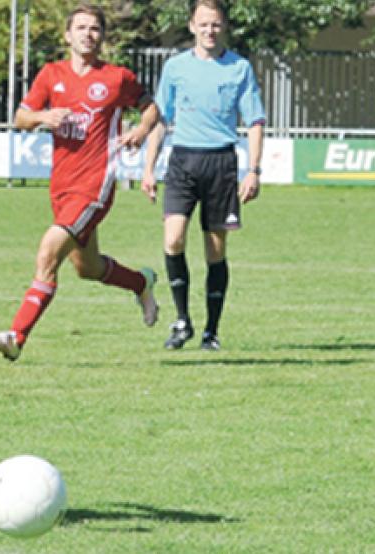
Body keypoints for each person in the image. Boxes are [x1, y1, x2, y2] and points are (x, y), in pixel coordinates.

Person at [0, 4, 160, 362]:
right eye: (81, 27)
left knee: (48, 252)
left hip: (96, 185)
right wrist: (44, 116)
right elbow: (20, 117)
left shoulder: (117, 77)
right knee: (87, 268)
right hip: (61, 184)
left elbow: (151, 108)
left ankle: (16, 336)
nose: (88, 34)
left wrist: (141, 130)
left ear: (102, 36)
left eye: (95, 28)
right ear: (67, 35)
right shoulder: (51, 75)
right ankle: (141, 283)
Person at [141, 0, 265, 351]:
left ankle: (211, 330)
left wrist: (253, 170)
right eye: (204, 24)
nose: (210, 30)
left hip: (221, 163)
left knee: (215, 249)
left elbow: (255, 120)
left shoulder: (239, 68)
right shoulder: (175, 67)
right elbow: (160, 119)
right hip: (182, 161)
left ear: (223, 27)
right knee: (173, 239)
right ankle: (182, 321)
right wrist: (148, 168)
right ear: (192, 26)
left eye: (216, 24)